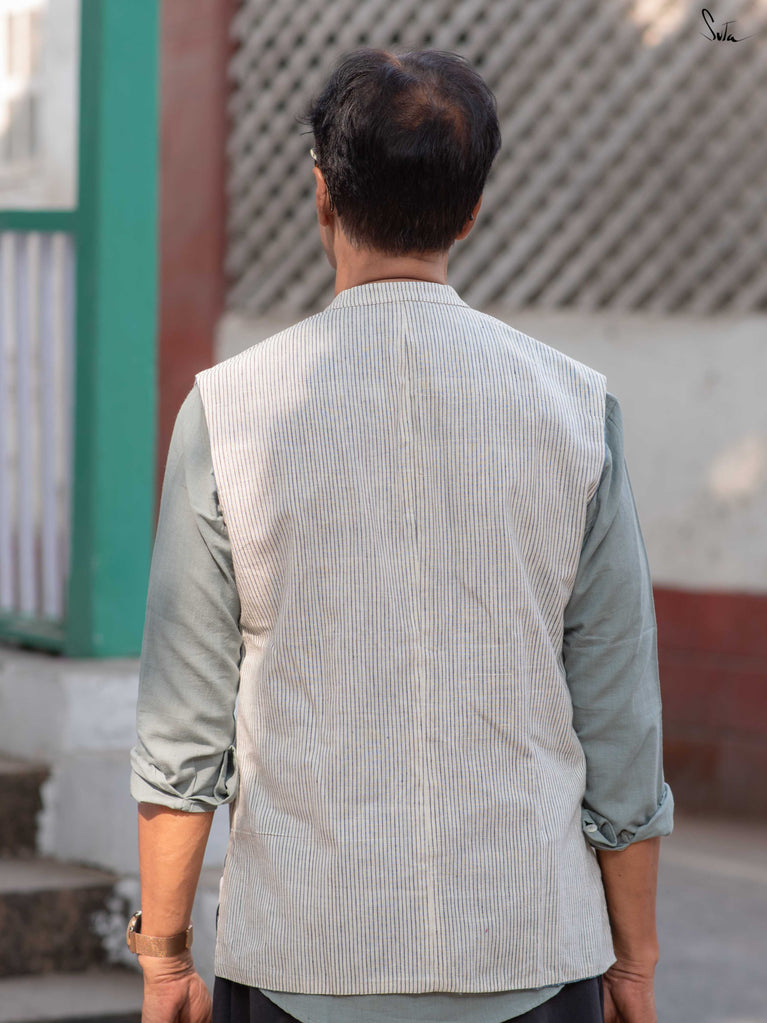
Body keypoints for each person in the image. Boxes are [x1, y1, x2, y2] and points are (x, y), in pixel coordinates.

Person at [130, 48, 673, 1023]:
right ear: (470, 211)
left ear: (320, 193)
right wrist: (632, 959)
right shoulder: (575, 410)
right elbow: (619, 720)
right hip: (529, 950)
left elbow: (183, 730)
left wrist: (165, 954)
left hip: (300, 955)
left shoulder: (227, 413)